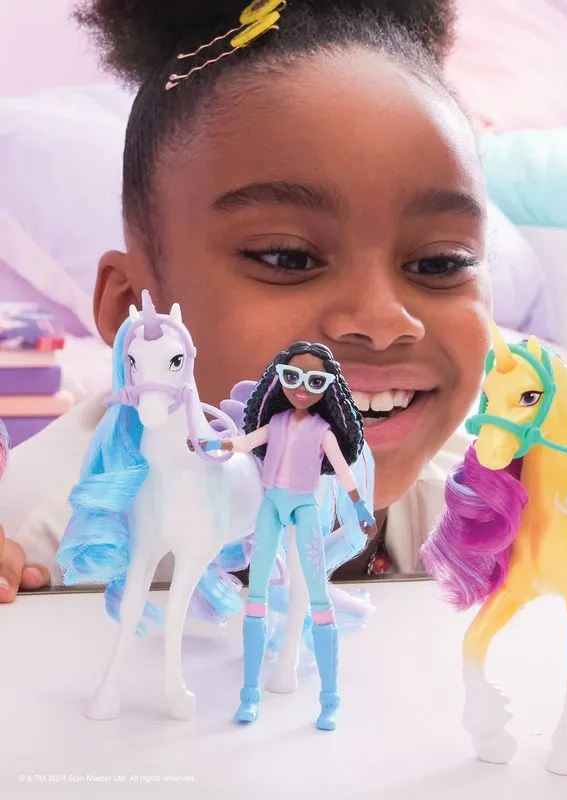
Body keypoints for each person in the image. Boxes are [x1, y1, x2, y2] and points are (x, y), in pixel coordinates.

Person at [0, 0, 491, 602]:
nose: (384, 321)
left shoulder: (502, 502)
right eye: (288, 258)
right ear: (134, 312)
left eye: (439, 263)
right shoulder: (40, 539)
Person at [193, 341, 377, 727]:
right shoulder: (275, 422)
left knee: (317, 596)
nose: (302, 388)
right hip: (272, 508)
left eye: (315, 382)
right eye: (292, 377)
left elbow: (343, 472)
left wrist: (360, 507)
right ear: (279, 379)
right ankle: (249, 696)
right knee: (256, 597)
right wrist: (212, 444)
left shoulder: (324, 431)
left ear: (328, 387)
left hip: (304, 509)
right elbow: (244, 443)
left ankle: (329, 701)